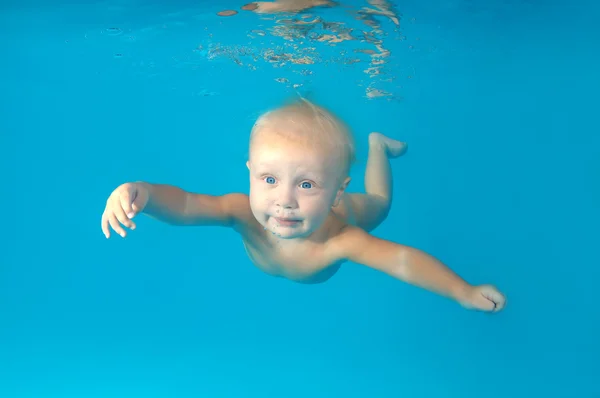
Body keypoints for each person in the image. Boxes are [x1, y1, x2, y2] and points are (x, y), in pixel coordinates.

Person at [101, 98, 506, 312]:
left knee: (382, 204)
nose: (285, 201)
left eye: (307, 184)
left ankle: (377, 146)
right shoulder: (242, 212)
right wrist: (143, 193)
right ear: (250, 174)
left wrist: (462, 291)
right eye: (270, 180)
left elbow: (401, 260)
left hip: (354, 212)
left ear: (335, 191)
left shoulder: (342, 239)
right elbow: (188, 204)